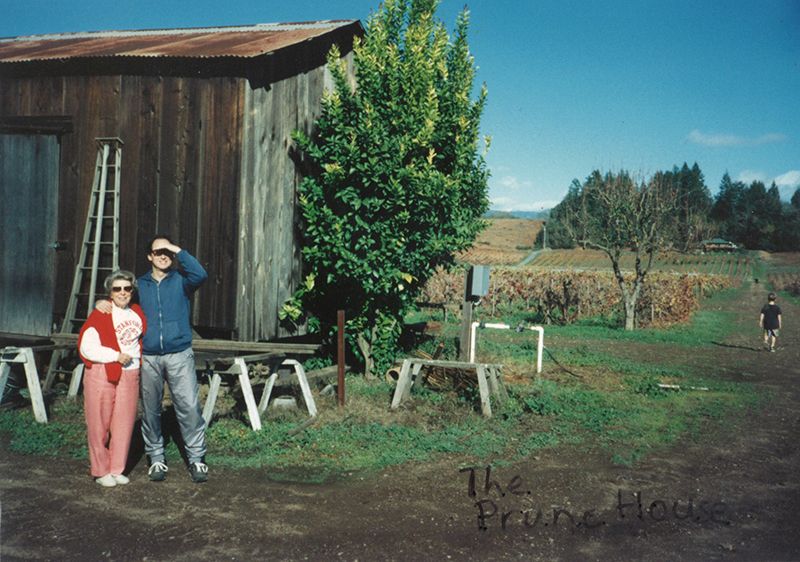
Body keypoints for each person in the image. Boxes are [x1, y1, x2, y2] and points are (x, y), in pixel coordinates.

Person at [97, 235, 209, 483]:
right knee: (151, 409)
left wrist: (178, 250)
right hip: (147, 357)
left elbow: (201, 274)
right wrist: (102, 303)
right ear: (149, 257)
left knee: (189, 406)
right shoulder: (140, 286)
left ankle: (197, 459)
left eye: (167, 251)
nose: (163, 255)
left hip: (179, 353)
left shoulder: (182, 281)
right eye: (158, 251)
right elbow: (121, 299)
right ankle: (156, 457)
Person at [79, 270, 146, 487]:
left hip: (130, 372)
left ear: (132, 291)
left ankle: (117, 468)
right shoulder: (102, 312)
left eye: (127, 288)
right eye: (117, 288)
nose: (122, 292)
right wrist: (115, 356)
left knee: (124, 423)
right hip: (102, 371)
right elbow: (86, 347)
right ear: (110, 292)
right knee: (99, 422)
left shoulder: (137, 312)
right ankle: (100, 470)